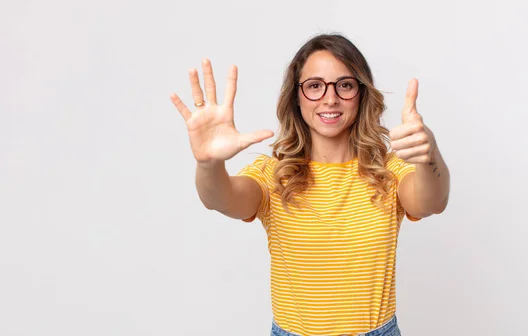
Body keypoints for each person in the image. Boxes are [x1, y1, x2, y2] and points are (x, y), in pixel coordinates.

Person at [170, 33, 450, 336]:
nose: (330, 99)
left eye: (344, 85)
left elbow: (432, 201)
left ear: (361, 94)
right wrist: (209, 163)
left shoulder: (388, 171)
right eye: (315, 86)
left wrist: (429, 154)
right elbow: (219, 198)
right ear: (296, 97)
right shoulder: (273, 174)